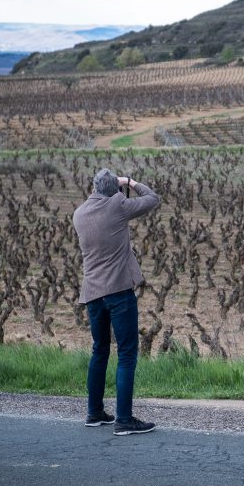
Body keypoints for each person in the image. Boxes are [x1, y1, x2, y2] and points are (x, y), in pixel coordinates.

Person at [73, 168, 160, 436]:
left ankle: (95, 412)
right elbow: (153, 198)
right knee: (126, 353)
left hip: (92, 294)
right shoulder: (117, 206)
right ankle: (123, 419)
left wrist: (113, 188)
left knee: (99, 350)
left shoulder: (79, 213)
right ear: (114, 190)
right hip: (119, 291)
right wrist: (131, 183)